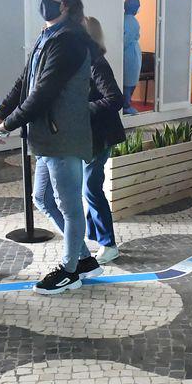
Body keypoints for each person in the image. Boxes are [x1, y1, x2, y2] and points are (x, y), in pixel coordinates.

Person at [0, 0, 99, 294]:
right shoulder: (47, 35)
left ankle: (70, 270)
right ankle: (83, 257)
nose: (43, 0)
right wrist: (0, 112)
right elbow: (25, 82)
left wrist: (10, 125)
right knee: (42, 197)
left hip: (63, 136)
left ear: (66, 2)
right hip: (47, 137)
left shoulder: (71, 40)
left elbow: (44, 92)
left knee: (69, 206)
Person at [82, 16, 126, 265]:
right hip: (90, 136)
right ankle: (96, 236)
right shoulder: (84, 61)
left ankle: (109, 243)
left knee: (91, 187)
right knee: (87, 188)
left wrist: (83, 108)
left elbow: (115, 99)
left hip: (100, 136)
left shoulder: (96, 63)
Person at [121, 0, 141, 115]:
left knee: (126, 81)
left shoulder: (122, 18)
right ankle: (126, 106)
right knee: (129, 82)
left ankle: (126, 104)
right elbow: (126, 39)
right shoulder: (133, 22)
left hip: (126, 54)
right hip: (130, 55)